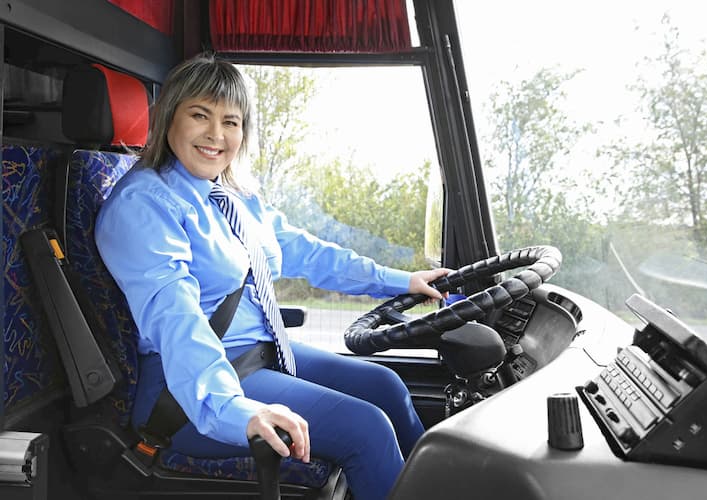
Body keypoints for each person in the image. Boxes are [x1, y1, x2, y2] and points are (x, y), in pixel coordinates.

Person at [95, 53, 449, 500]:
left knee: (387, 386)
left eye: (232, 121)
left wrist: (400, 280)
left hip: (262, 354)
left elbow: (307, 252)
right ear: (169, 119)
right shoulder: (144, 205)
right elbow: (175, 318)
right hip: (189, 391)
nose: (216, 135)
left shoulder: (231, 197)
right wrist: (235, 410)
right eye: (199, 116)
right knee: (367, 427)